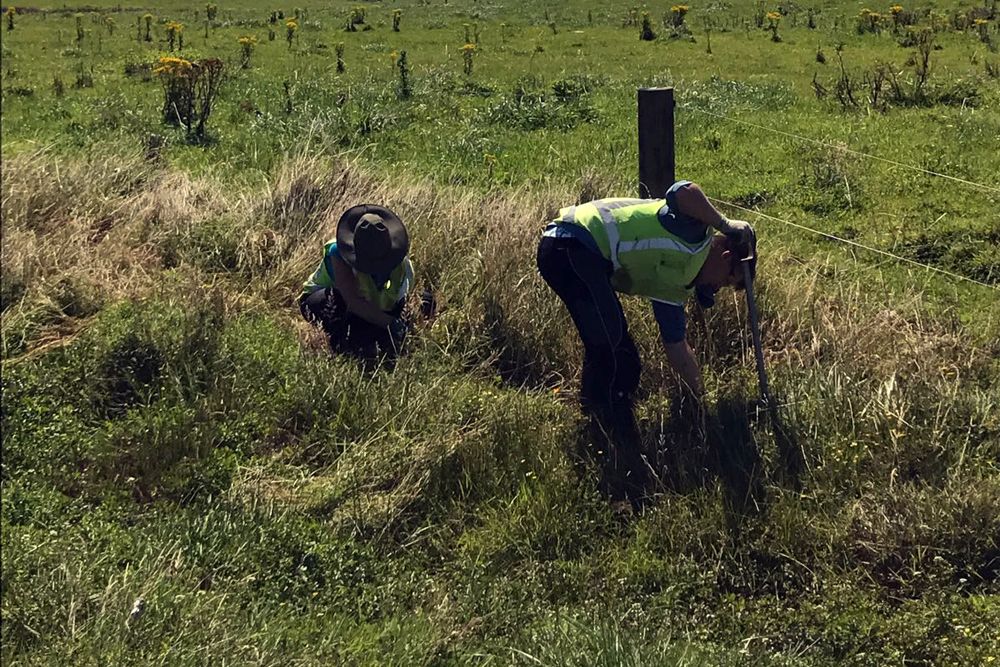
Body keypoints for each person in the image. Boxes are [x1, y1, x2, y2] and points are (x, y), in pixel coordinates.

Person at [535, 180, 756, 508]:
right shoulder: (694, 233)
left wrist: (700, 404)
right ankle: (615, 437)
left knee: (610, 348)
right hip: (572, 244)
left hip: (576, 256)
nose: (720, 287)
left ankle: (598, 426)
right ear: (726, 256)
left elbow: (677, 347)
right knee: (616, 352)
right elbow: (682, 191)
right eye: (728, 279)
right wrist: (724, 224)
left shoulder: (678, 285)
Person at [300, 204, 414, 362]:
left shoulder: (401, 263)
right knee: (336, 302)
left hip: (374, 306)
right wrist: (390, 323)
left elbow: (402, 296)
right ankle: (343, 347)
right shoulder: (338, 253)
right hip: (336, 304)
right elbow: (352, 301)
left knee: (427, 300)